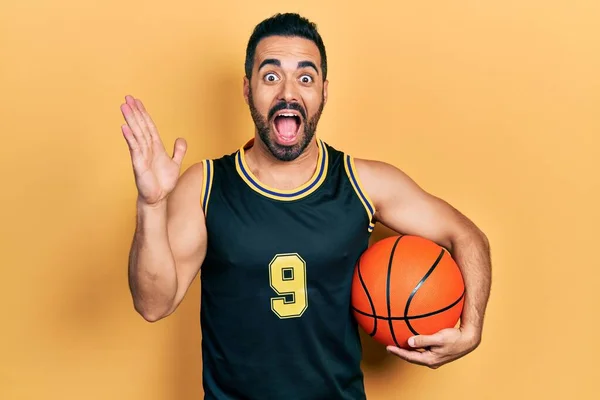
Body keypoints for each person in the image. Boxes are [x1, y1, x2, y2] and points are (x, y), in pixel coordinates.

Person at [121, 12, 491, 400]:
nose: (287, 93)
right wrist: (151, 204)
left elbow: (466, 235)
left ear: (324, 92)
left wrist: (472, 329)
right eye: (270, 76)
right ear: (247, 90)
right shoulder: (205, 185)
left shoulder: (362, 182)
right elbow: (153, 304)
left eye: (305, 77)